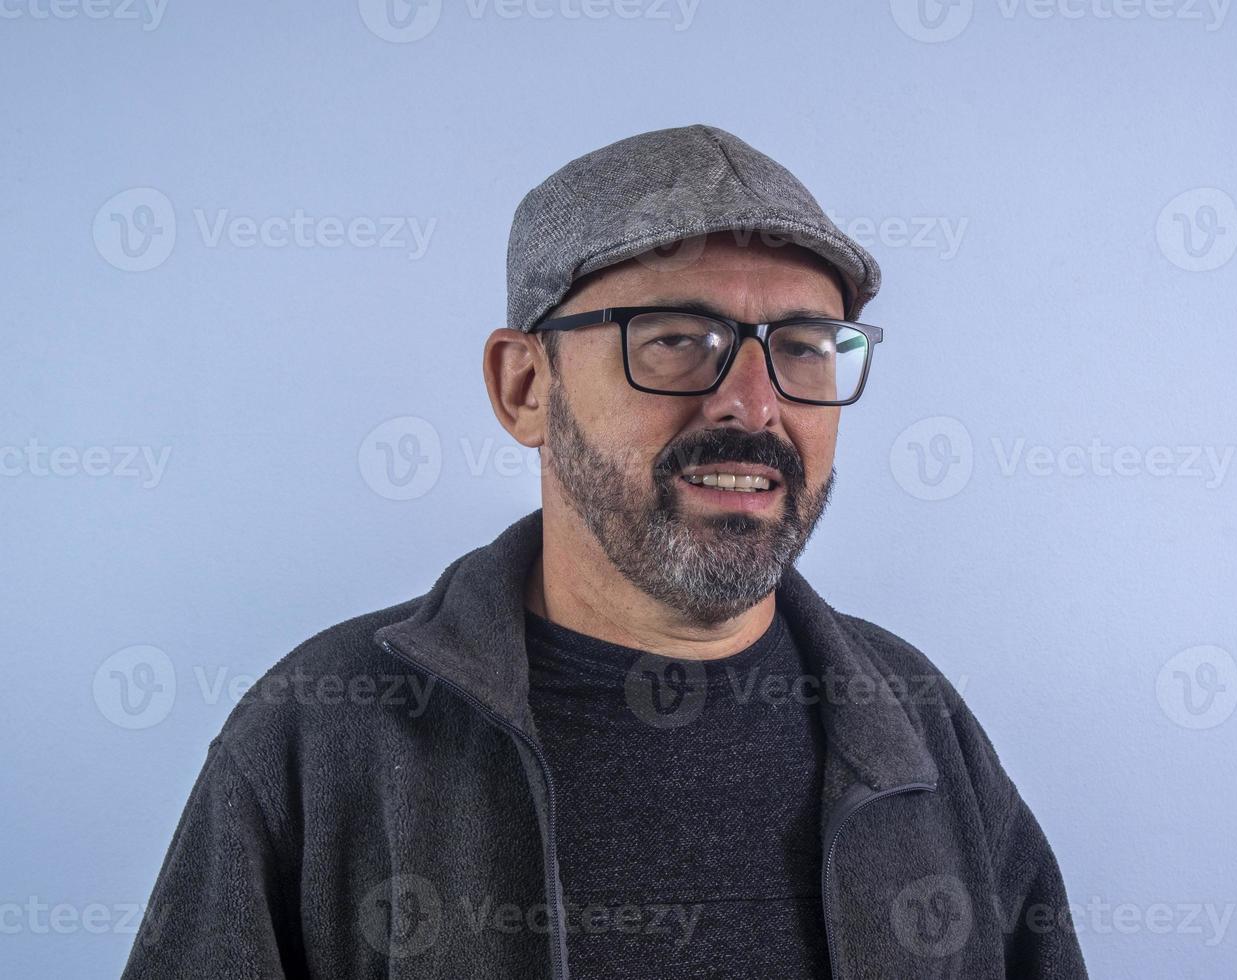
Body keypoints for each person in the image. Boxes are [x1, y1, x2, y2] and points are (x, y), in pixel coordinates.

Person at [121, 123, 1089, 979]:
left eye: (802, 345)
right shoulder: (323, 735)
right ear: (524, 386)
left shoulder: (920, 726)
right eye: (677, 338)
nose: (752, 403)